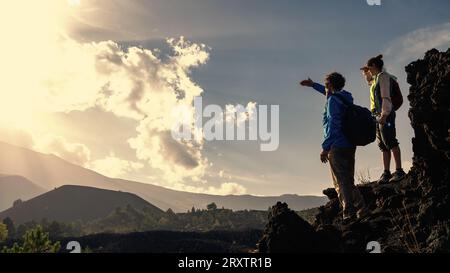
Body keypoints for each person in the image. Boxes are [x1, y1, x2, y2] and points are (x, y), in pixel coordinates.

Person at [300, 73, 367, 222]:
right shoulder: (344, 98)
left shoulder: (332, 101)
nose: (325, 87)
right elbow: (327, 92)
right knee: (347, 180)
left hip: (337, 146)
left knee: (340, 182)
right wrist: (313, 85)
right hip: (350, 145)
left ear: (330, 85)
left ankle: (348, 212)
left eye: (325, 84)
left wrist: (325, 147)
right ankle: (362, 208)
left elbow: (333, 125)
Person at [362, 55, 406, 184]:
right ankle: (386, 172)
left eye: (369, 68)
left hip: (384, 114)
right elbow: (369, 80)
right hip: (377, 115)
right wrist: (365, 72)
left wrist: (384, 114)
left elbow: (386, 96)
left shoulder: (383, 77)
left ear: (374, 66)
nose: (367, 71)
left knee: (390, 141)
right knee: (383, 145)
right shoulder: (375, 79)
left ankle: (399, 170)